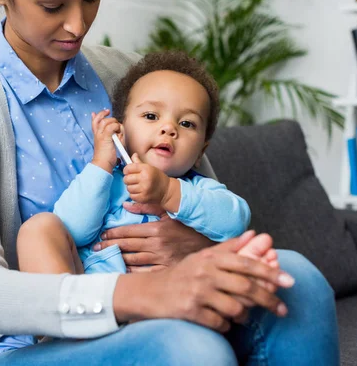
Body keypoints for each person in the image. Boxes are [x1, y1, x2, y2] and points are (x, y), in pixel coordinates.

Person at [0, 0, 340, 365]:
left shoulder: (134, 76)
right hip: (25, 344)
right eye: (53, 5)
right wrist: (142, 292)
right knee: (187, 350)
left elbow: (211, 204)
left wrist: (198, 249)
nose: (77, 25)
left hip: (161, 312)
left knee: (299, 282)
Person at [16, 51, 281, 278]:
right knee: (40, 228)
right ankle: (61, 327)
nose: (168, 128)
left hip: (171, 307)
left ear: (201, 152)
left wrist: (168, 192)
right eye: (151, 116)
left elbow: (235, 220)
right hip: (103, 306)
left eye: (186, 123)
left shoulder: (196, 189)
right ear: (122, 129)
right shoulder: (107, 181)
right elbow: (73, 230)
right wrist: (101, 162)